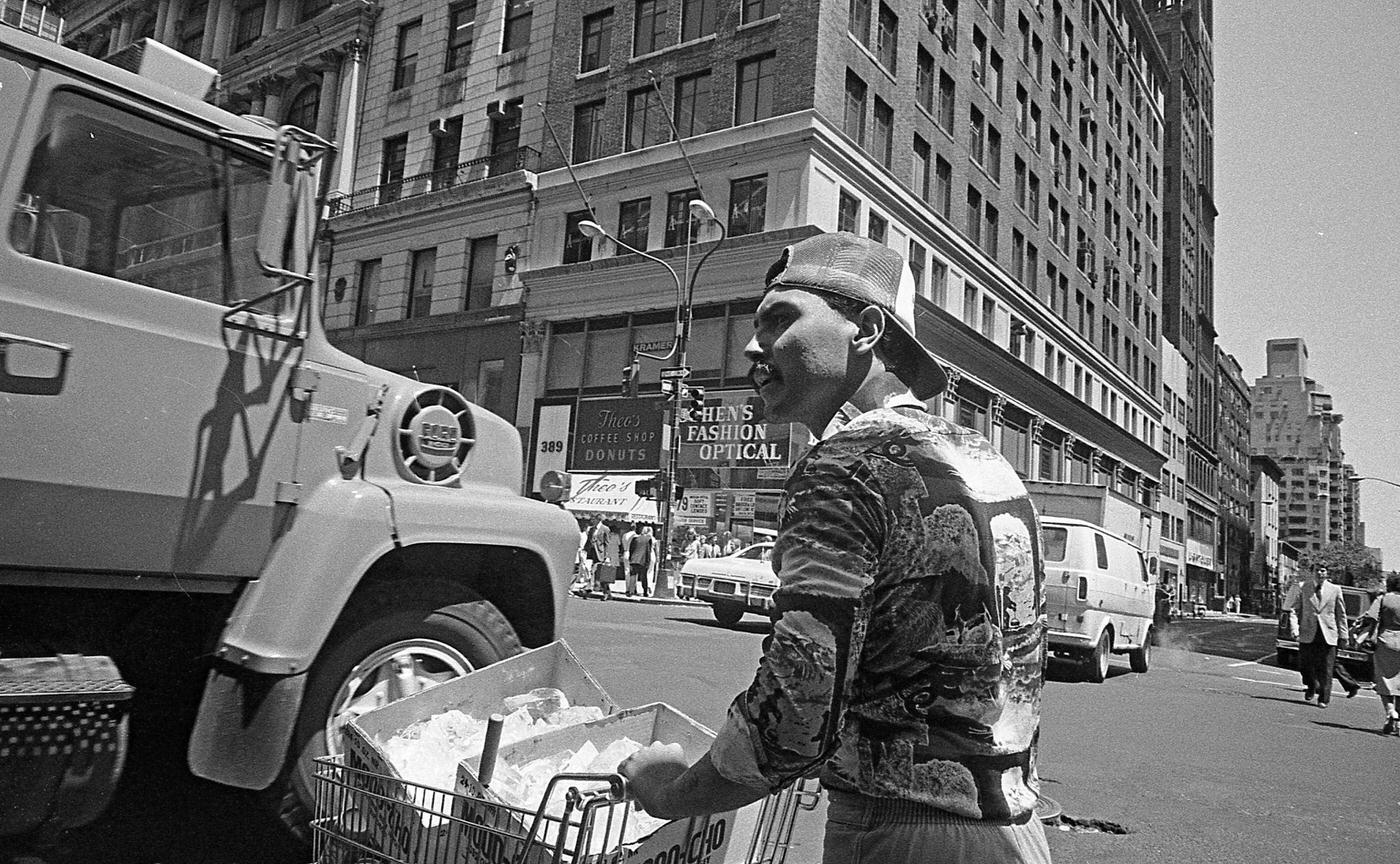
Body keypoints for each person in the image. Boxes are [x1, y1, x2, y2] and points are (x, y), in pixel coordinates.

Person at [619, 232, 1051, 862]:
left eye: (780, 319)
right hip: (1015, 833)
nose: (750, 346)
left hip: (903, 836)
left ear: (867, 328)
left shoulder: (846, 465)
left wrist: (670, 790)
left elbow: (796, 715)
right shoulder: (987, 461)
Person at [1290, 566, 1360, 706]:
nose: (1320, 573)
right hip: (1308, 632)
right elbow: (1294, 609)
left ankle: (1324, 699)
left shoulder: (1335, 589)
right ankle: (1311, 686)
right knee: (1304, 665)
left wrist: (1344, 635)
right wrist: (1295, 629)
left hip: (1328, 633)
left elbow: (1341, 614)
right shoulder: (1304, 587)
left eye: (1323, 570)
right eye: (1317, 570)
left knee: (1327, 668)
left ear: (1327, 573)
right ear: (1312, 572)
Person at [1353, 573, 1400, 734]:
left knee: (1384, 679)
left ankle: (1390, 711)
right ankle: (1399, 722)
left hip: (1386, 641)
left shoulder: (1384, 599)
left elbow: (1371, 617)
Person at [629, 525, 654, 597]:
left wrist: (631, 558)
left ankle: (631, 591)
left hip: (634, 559)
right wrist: (648, 561)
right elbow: (648, 550)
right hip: (643, 560)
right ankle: (645, 592)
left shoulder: (635, 538)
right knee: (643, 577)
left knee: (633, 575)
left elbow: (631, 549)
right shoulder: (648, 539)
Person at [620, 523, 638, 596]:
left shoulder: (625, 535)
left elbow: (622, 544)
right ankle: (633, 588)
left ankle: (627, 588)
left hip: (625, 552)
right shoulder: (635, 536)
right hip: (632, 553)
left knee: (626, 571)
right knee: (634, 572)